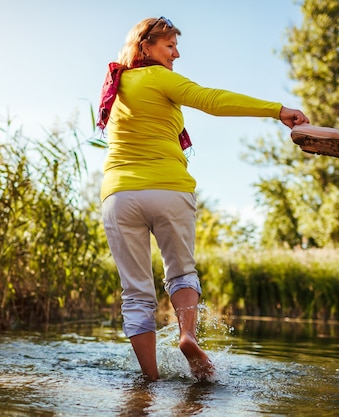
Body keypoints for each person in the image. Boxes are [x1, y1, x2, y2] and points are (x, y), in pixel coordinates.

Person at [97, 16, 309, 382]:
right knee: (181, 273)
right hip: (168, 188)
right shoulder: (159, 77)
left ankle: (149, 382)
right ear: (144, 46)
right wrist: (278, 110)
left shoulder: (115, 91)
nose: (176, 54)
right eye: (169, 46)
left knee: (135, 294)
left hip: (118, 196)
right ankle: (187, 336)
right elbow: (212, 100)